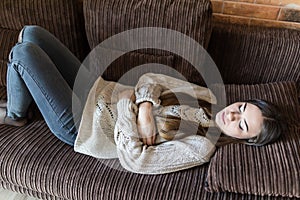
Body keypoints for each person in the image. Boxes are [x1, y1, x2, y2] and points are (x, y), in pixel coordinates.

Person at [0, 26, 285, 174]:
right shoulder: (207, 96)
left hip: (84, 125)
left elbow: (136, 161)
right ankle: (19, 105)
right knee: (31, 33)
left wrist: (127, 104)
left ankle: (15, 115)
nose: (234, 115)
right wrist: (145, 110)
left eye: (243, 125)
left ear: (243, 139)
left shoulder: (201, 148)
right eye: (243, 108)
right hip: (96, 88)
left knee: (23, 54)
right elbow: (152, 78)